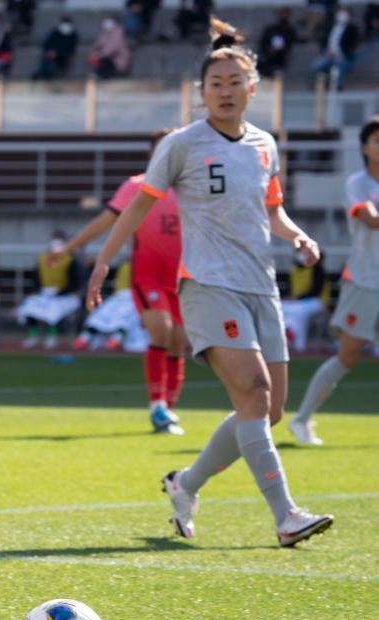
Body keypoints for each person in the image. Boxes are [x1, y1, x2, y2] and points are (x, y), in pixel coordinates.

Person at [86, 18, 333, 547]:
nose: (224, 91)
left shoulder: (265, 145)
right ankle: (286, 514)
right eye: (214, 84)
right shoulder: (181, 145)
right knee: (254, 392)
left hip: (261, 287)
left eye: (234, 82)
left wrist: (298, 237)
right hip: (206, 285)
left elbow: (274, 210)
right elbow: (137, 207)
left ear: (253, 88)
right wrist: (104, 260)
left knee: (265, 410)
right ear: (201, 93)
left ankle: (186, 483)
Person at [52, 128, 186, 434]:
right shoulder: (138, 186)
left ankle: (169, 409)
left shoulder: (192, 188)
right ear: (152, 152)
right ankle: (157, 407)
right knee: (161, 331)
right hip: (148, 276)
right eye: (161, 146)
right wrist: (68, 249)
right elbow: (106, 221)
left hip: (182, 279)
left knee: (179, 343)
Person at [289, 116, 379, 445]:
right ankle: (301, 420)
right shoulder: (358, 184)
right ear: (364, 148)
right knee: (348, 355)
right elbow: (370, 220)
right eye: (377, 140)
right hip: (365, 282)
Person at [16, 232, 82, 349]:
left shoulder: (70, 259)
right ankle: (33, 336)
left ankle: (52, 336)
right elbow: (36, 278)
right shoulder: (42, 258)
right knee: (29, 306)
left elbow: (75, 282)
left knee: (54, 309)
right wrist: (38, 291)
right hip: (45, 293)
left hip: (64, 295)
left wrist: (61, 292)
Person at [73, 260, 142, 353]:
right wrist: (93, 265)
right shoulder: (123, 265)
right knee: (99, 316)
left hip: (133, 297)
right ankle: (84, 338)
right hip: (118, 296)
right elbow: (109, 272)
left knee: (125, 319)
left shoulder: (143, 267)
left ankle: (115, 340)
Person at [280, 249, 329, 353]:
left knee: (298, 311)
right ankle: (290, 334)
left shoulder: (317, 268)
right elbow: (289, 290)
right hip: (297, 303)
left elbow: (316, 291)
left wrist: (297, 298)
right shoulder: (294, 270)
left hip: (317, 302)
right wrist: (290, 297)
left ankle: (297, 345)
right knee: (282, 308)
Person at [310, 5, 360, 88]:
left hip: (343, 56)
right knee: (314, 67)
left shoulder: (352, 29)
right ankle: (321, 87)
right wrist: (327, 51)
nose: (342, 15)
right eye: (341, 13)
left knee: (338, 71)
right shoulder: (331, 27)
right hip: (328, 55)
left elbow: (352, 44)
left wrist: (338, 53)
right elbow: (324, 41)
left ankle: (338, 88)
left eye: (344, 13)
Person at [31, 15, 78, 80]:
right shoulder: (55, 32)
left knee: (52, 65)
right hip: (50, 55)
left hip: (63, 57)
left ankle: (42, 75)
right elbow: (46, 43)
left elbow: (70, 48)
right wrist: (50, 51)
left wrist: (57, 52)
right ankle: (40, 75)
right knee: (47, 62)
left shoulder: (73, 35)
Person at [257, 7, 296, 79]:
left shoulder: (290, 31)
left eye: (286, 14)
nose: (284, 16)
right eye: (282, 14)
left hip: (281, 58)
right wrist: (269, 49)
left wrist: (280, 48)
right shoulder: (270, 29)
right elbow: (262, 44)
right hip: (267, 56)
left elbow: (290, 43)